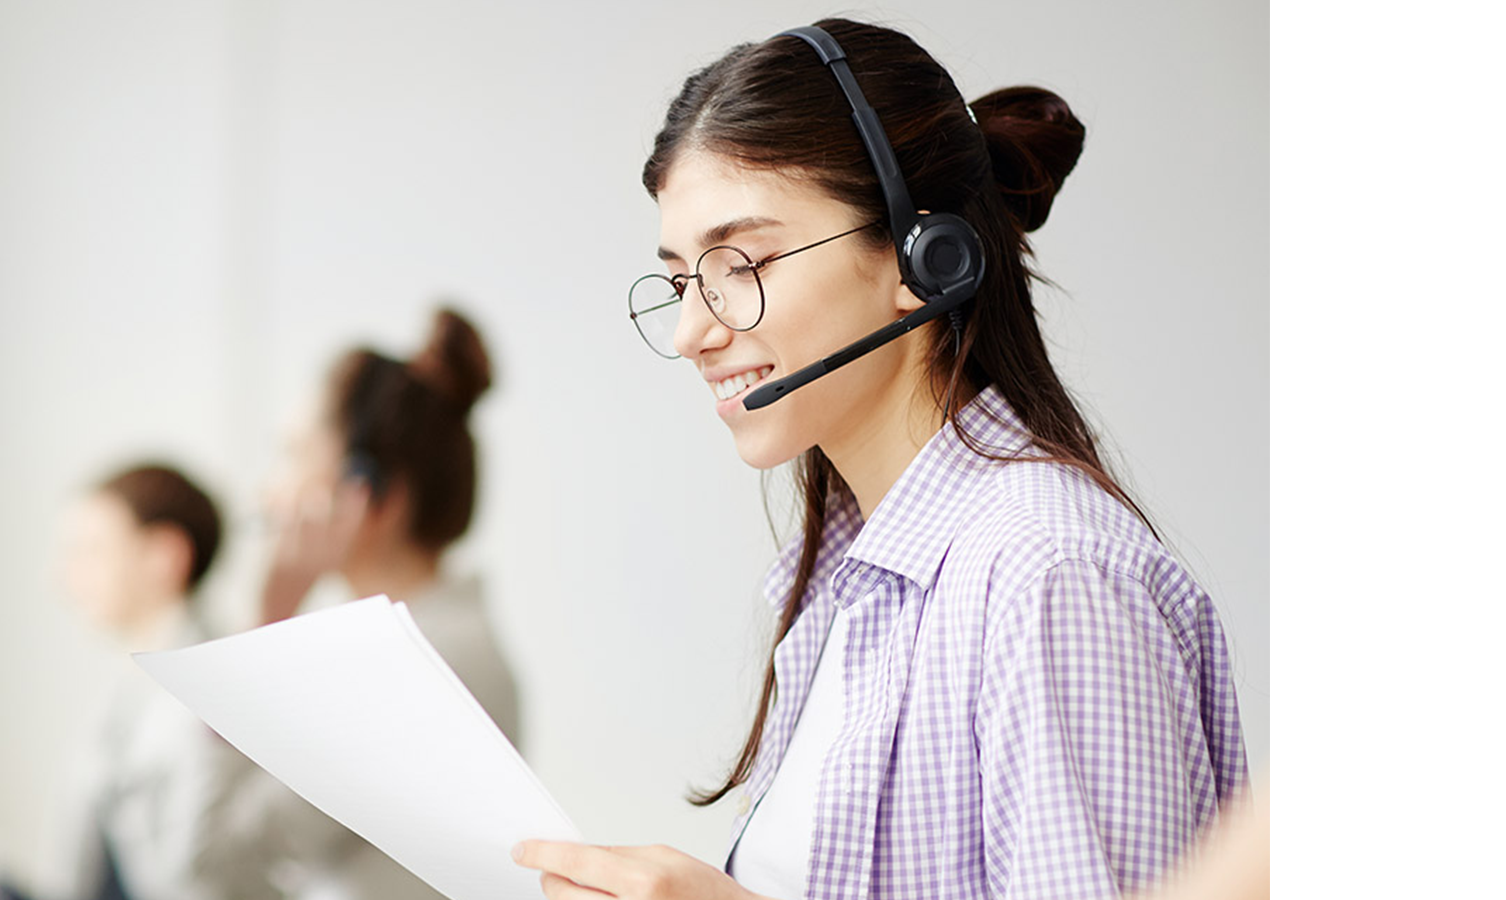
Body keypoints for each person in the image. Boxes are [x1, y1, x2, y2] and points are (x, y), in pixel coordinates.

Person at [514, 17, 1248, 900]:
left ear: (922, 260)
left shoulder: (1047, 578)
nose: (690, 332)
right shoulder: (852, 584)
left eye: (740, 263)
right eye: (681, 278)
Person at [252, 306, 520, 899]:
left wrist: (264, 625)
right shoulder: (402, 641)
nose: (267, 492)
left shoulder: (420, 657)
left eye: (293, 454)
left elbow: (222, 865)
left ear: (368, 492)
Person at [0, 463, 280, 900]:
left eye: (90, 551)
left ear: (165, 556)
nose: (61, 578)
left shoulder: (219, 692)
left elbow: (198, 876)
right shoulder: (124, 696)